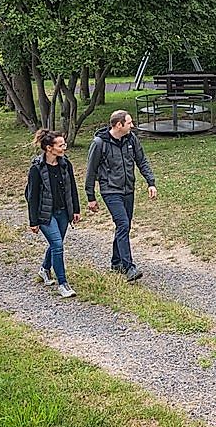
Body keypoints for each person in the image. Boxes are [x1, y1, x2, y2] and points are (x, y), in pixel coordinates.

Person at [84, 109, 157, 282]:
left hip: (128, 189)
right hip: (110, 190)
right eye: (129, 122)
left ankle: (116, 262)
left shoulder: (131, 139)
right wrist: (90, 197)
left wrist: (151, 182)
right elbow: (91, 170)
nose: (132, 125)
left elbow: (142, 160)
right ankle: (128, 267)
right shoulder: (99, 143)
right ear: (119, 125)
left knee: (124, 226)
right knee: (123, 224)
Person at [26, 129, 81, 299]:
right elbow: (32, 196)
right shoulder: (37, 168)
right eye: (60, 145)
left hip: (63, 212)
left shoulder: (66, 164)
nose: (64, 147)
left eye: (63, 144)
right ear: (49, 148)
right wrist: (33, 221)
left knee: (56, 245)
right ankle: (63, 284)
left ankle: (44, 269)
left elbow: (72, 188)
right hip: (45, 215)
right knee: (57, 245)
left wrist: (76, 210)